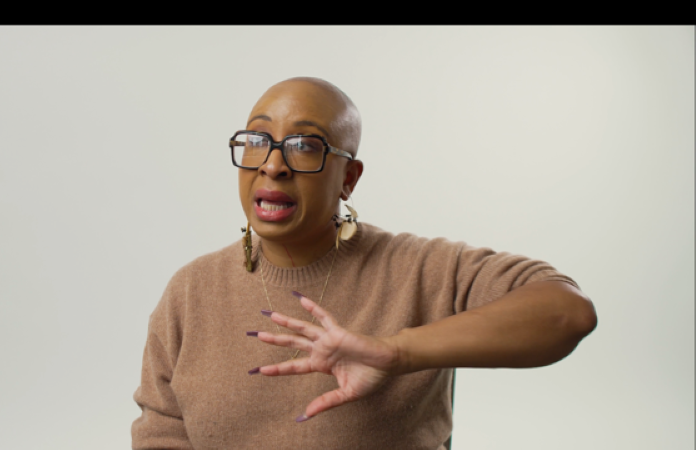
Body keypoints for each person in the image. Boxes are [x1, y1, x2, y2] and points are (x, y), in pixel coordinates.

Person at [131, 77, 597, 450]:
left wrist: (394, 352)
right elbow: (162, 435)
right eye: (257, 139)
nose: (273, 165)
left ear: (348, 178)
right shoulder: (190, 291)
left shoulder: (419, 270)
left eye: (305, 146)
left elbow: (567, 314)